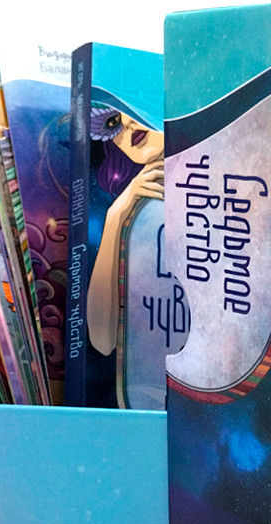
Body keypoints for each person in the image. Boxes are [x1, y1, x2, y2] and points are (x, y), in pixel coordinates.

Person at [86, 105, 164, 356]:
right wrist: (115, 217)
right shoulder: (128, 208)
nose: (128, 122)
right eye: (113, 122)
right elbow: (102, 340)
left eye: (134, 103)